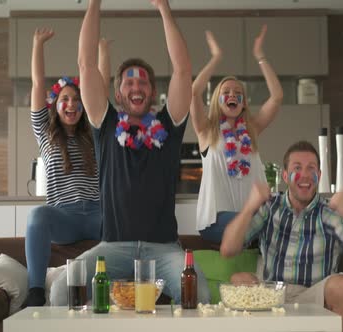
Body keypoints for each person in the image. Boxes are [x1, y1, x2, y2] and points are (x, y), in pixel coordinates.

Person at [50, 0, 210, 305]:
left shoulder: (168, 124)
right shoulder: (106, 122)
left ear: (151, 92)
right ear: (119, 93)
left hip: (164, 250)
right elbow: (85, 63)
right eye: (129, 81)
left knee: (199, 292)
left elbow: (183, 69)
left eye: (143, 82)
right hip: (113, 248)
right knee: (59, 290)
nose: (137, 86)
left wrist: (163, 8)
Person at [220, 141, 343, 332]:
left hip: (313, 296)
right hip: (273, 295)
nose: (305, 174)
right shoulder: (269, 207)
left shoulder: (331, 213)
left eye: (311, 168)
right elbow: (228, 249)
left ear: (319, 175)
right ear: (286, 176)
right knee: (239, 279)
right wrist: (249, 206)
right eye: (297, 168)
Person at [25, 28, 111, 306]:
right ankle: (36, 291)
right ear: (56, 105)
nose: (71, 104)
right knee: (37, 215)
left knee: (128, 212)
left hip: (99, 215)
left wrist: (103, 51)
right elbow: (38, 84)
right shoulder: (45, 133)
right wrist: (37, 44)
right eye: (65, 99)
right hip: (66, 217)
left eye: (76, 100)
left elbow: (102, 89)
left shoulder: (95, 134)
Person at [190, 27, 284, 243]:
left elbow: (277, 97)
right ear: (217, 100)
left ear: (243, 103)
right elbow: (194, 92)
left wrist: (260, 57)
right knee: (265, 223)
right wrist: (216, 58)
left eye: (238, 93)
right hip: (216, 220)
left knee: (280, 223)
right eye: (226, 93)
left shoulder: (251, 130)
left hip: (253, 217)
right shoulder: (206, 131)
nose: (232, 95)